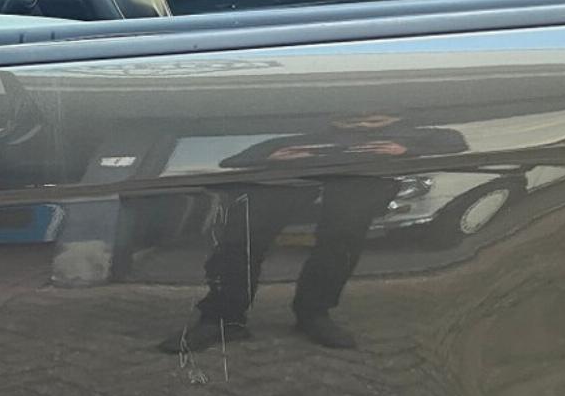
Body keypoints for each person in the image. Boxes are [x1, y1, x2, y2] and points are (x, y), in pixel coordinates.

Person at [161, 113, 466, 352]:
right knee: (240, 240)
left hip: (359, 185)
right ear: (334, 120)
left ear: (396, 117)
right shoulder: (302, 137)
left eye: (374, 119)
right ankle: (222, 318)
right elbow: (232, 161)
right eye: (351, 120)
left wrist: (408, 149)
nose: (361, 124)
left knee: (340, 244)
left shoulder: (418, 133)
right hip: (290, 183)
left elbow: (457, 143)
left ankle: (314, 313)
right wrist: (273, 158)